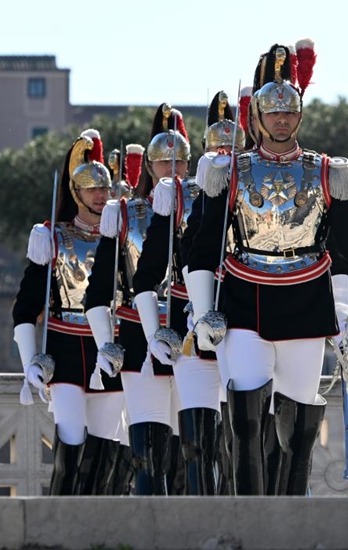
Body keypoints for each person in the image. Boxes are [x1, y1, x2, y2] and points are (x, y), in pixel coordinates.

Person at [188, 40, 348, 496]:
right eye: (272, 112)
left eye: (289, 111)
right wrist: (201, 312)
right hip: (245, 298)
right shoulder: (229, 171)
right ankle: (250, 518)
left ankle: (290, 514)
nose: (281, 118)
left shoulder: (327, 170)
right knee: (247, 414)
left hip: (307, 299)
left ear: (299, 115)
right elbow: (202, 247)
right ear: (258, 117)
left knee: (298, 422)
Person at [133, 91, 245, 495]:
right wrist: (152, 335)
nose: (221, 153)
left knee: (245, 443)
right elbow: (144, 277)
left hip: (251, 321)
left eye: (228, 146)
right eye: (213, 146)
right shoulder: (178, 196)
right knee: (198, 444)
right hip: (190, 326)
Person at [12, 129, 126, 495]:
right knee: (71, 442)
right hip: (65, 351)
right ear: (76, 193)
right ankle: (59, 518)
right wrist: (31, 361)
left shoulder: (123, 238)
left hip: (112, 350)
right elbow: (26, 307)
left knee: (106, 449)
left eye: (104, 188)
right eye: (91, 188)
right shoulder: (53, 238)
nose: (100, 195)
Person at [86, 104, 190, 495]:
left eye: (181, 163)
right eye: (165, 163)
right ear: (149, 167)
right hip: (136, 339)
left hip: (191, 337)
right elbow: (98, 292)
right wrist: (104, 345)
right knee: (148, 449)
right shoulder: (125, 215)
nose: (174, 170)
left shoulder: (206, 208)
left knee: (190, 451)